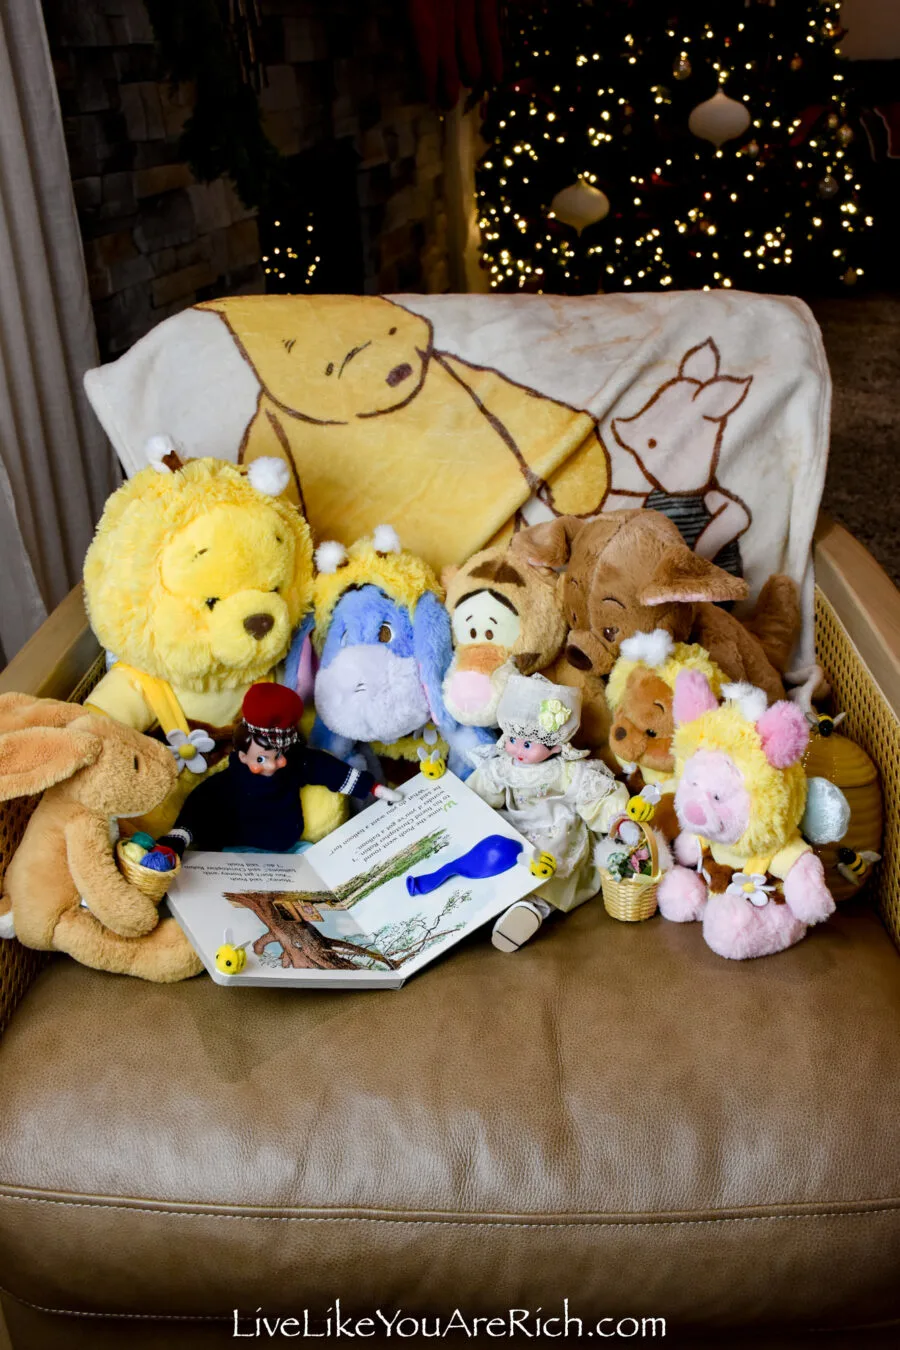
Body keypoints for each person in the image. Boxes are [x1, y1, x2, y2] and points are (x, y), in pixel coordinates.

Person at [164, 684, 399, 854]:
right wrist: (179, 837)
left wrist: (373, 787)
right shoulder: (227, 783)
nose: (273, 765)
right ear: (242, 756)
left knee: (312, 854)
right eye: (261, 759)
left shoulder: (294, 763)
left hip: (288, 847)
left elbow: (326, 768)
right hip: (236, 851)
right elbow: (200, 804)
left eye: (278, 756)